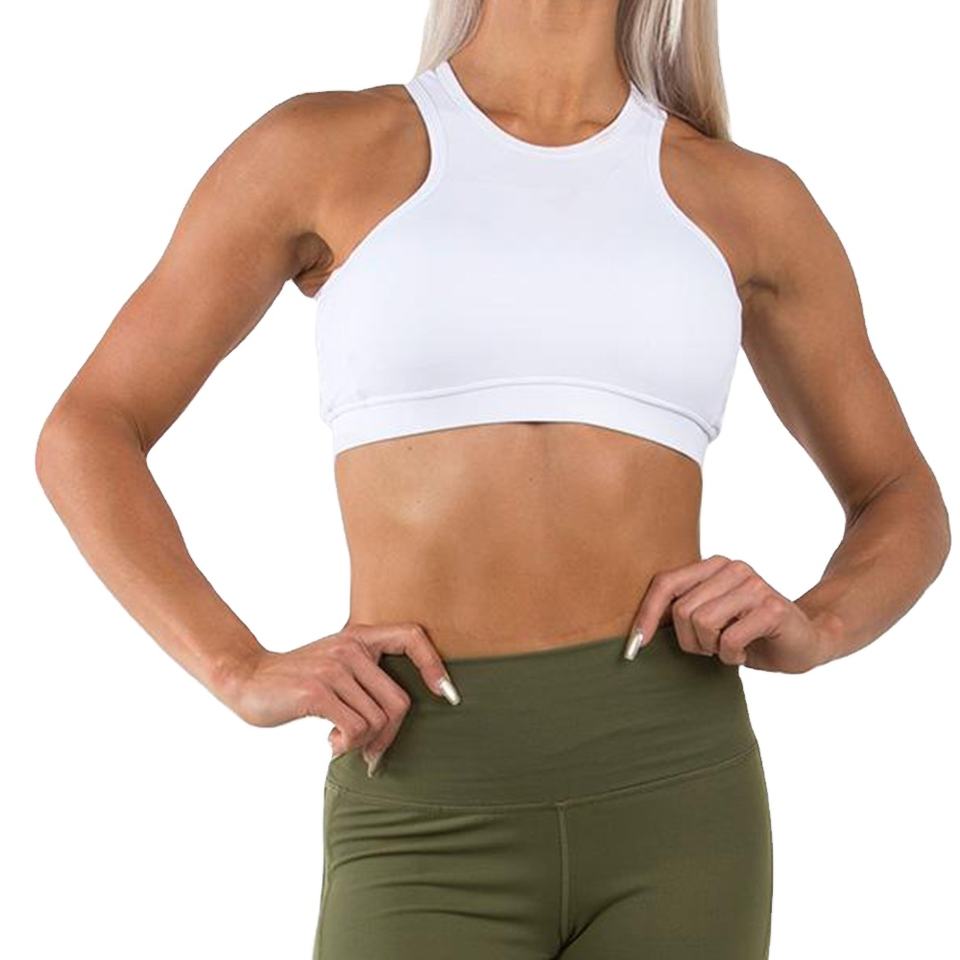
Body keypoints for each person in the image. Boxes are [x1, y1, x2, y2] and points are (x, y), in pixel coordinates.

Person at [35, 1, 950, 957]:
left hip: (678, 795)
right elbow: (88, 430)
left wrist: (820, 623)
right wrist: (237, 667)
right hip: (423, 797)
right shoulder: (320, 151)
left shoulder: (747, 199)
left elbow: (900, 493)